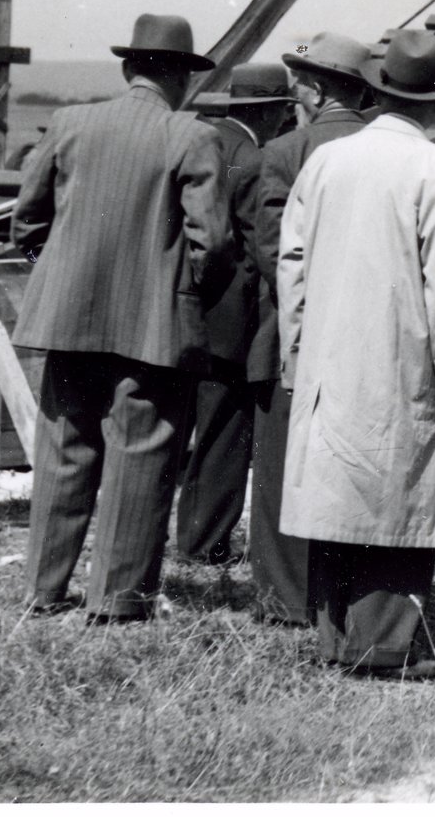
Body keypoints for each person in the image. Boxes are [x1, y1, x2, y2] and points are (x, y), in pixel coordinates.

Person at [277, 28, 435, 681]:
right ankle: (383, 645)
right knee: (405, 500)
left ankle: (334, 635)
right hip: (403, 362)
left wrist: (296, 354)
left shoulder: (326, 160)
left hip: (328, 361)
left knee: (337, 494)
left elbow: (293, 268)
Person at [13, 13, 236, 621]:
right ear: (182, 79)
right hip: (154, 326)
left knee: (64, 449)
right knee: (142, 455)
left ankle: (42, 590)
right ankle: (116, 601)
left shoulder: (70, 123)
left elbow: (26, 222)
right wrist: (182, 292)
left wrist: (59, 270)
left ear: (128, 68)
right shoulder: (192, 135)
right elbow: (212, 242)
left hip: (67, 319)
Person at [249, 31, 377, 626]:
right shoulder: (388, 148)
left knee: (280, 468)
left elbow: (272, 253)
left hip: (294, 338)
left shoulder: (286, 152)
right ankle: (349, 598)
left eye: (298, 78)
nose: (293, 89)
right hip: (373, 339)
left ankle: (284, 601)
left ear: (316, 88)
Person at [173, 63, 297, 566]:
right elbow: (259, 247)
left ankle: (192, 536)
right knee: (227, 433)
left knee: (199, 431)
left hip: (188, 314)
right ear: (271, 113)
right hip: (234, 324)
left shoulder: (205, 142)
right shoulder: (254, 159)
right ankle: (206, 543)